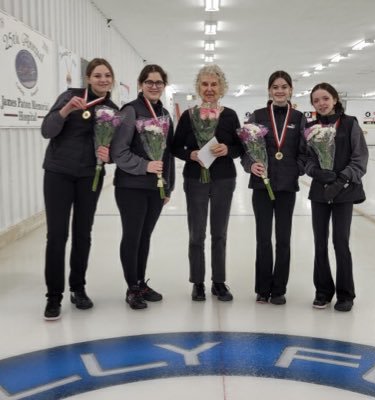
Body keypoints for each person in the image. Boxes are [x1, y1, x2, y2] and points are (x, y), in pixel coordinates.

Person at [41, 58, 118, 320]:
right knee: (57, 235)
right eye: (98, 75)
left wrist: (108, 155)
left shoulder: (112, 109)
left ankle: (78, 288)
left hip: (90, 176)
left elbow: (116, 150)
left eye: (107, 75)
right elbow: (47, 130)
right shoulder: (71, 97)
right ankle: (53, 296)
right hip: (58, 173)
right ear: (88, 78)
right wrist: (65, 112)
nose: (103, 80)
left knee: (83, 233)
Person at [171, 64, 242, 302]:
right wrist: (190, 154)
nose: (209, 89)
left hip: (223, 179)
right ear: (198, 87)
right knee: (196, 233)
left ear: (221, 87)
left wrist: (228, 149)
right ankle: (198, 282)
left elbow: (241, 147)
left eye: (214, 84)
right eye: (205, 84)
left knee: (219, 233)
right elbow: (175, 146)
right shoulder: (189, 115)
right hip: (195, 179)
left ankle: (219, 282)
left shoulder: (230, 115)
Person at [111, 64, 175, 310]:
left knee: (145, 236)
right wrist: (144, 166)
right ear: (141, 84)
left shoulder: (166, 115)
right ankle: (132, 288)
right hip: (131, 186)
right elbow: (119, 151)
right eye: (149, 82)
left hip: (155, 189)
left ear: (164, 85)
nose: (154, 86)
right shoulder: (130, 111)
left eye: (159, 82)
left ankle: (140, 281)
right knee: (132, 236)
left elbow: (167, 154)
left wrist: (167, 187)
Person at [241, 70, 307, 305]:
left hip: (287, 186)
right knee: (263, 238)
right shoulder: (257, 115)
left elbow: (304, 151)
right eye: (275, 87)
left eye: (284, 87)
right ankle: (262, 288)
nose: (280, 91)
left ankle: (279, 289)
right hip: (262, 186)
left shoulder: (299, 118)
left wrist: (296, 169)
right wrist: (251, 166)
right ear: (269, 90)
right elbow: (246, 151)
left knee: (283, 239)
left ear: (291, 90)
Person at [305, 82, 368, 312]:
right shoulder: (310, 127)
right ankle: (322, 291)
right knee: (319, 243)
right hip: (320, 192)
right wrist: (316, 172)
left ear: (334, 99)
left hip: (344, 192)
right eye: (316, 100)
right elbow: (307, 159)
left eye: (325, 98)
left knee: (340, 242)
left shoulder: (350, 124)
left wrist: (341, 179)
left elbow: (360, 158)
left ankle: (345, 294)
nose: (321, 103)